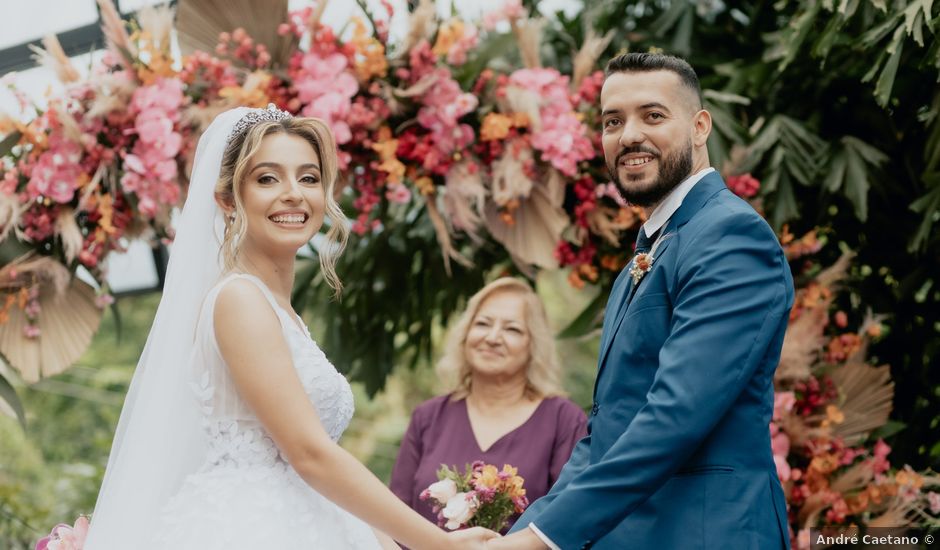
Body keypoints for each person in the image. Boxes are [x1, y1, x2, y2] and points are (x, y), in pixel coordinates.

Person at [83, 105, 498, 550]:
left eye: (308, 177)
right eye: (267, 178)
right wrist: (439, 543)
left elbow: (318, 472)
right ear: (227, 198)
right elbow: (310, 454)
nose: (293, 194)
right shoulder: (240, 299)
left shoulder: (280, 311)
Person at [491, 53, 795, 550]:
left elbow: (676, 415)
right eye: (613, 121)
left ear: (700, 127)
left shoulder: (730, 236)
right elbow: (606, 433)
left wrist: (540, 541)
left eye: (652, 115)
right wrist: (519, 535)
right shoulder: (649, 253)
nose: (629, 134)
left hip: (706, 534)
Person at [390, 278, 587, 532]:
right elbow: (394, 514)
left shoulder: (564, 420)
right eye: (483, 323)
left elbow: (569, 519)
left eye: (512, 329)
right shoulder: (427, 417)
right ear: (465, 334)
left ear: (533, 345)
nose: (493, 338)